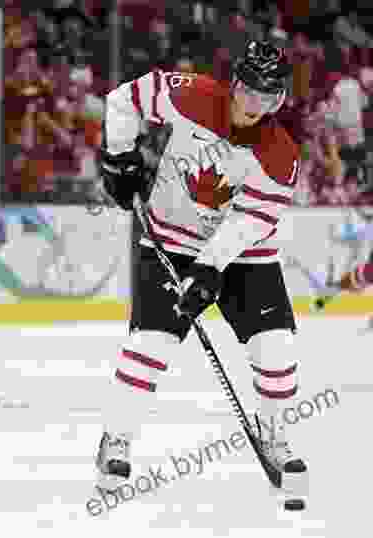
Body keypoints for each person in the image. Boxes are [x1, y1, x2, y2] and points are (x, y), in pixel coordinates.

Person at [96, 41, 307, 500]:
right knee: (150, 345)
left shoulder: (281, 154)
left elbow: (251, 223)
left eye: (266, 98)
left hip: (245, 255)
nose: (254, 106)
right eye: (248, 92)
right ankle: (117, 439)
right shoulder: (190, 94)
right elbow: (122, 100)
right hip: (170, 239)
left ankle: (273, 434)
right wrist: (119, 155)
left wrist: (209, 269)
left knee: (277, 349)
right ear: (234, 85)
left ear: (280, 101)